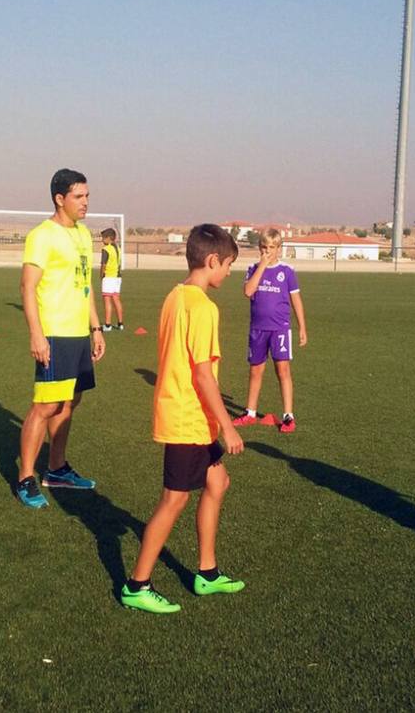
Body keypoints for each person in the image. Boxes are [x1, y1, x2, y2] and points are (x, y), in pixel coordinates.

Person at [121, 224, 245, 614]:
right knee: (173, 500)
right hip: (188, 416)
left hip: (192, 415)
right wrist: (228, 426)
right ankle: (136, 585)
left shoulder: (175, 296)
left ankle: (206, 573)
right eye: (228, 265)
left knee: (218, 481)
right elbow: (203, 373)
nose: (229, 273)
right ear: (212, 261)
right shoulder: (203, 307)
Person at [14, 168, 106, 508]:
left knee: (70, 402)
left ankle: (56, 469)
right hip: (53, 332)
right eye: (79, 197)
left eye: (87, 196)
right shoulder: (42, 235)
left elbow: (86, 285)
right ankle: (25, 476)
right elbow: (27, 286)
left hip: (79, 332)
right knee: (46, 405)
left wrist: (96, 327)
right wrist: (37, 335)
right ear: (59, 198)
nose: (85, 203)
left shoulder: (83, 234)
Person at [233, 228, 308, 433]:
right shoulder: (253, 268)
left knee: (282, 370)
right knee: (256, 370)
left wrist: (302, 326)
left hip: (280, 329)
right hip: (258, 329)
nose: (268, 251)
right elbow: (248, 291)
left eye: (272, 248)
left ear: (279, 248)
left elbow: (296, 300)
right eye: (264, 247)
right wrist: (263, 266)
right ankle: (250, 412)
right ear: (260, 248)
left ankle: (288, 415)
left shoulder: (287, 272)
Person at [99, 227, 124, 331]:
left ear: (109, 238)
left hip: (109, 276)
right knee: (116, 300)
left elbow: (103, 264)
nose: (102, 240)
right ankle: (120, 323)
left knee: (107, 300)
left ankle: (108, 325)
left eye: (103, 238)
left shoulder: (106, 249)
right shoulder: (118, 249)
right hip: (117, 277)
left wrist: (101, 275)